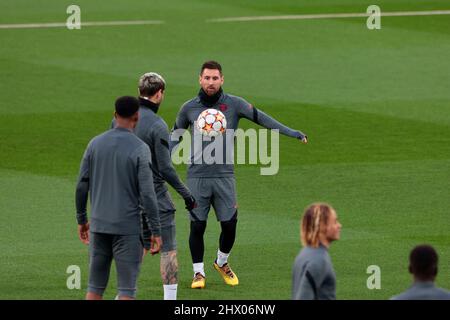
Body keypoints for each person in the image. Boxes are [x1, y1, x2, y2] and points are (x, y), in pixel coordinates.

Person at [170, 60, 308, 289]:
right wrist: (159, 160)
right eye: (207, 78)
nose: (211, 82)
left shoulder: (234, 104)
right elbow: (175, 136)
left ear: (222, 80)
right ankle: (198, 273)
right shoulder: (189, 108)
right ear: (200, 79)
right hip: (197, 177)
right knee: (197, 226)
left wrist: (291, 132)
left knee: (230, 224)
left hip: (224, 176)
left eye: (215, 78)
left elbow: (262, 118)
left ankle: (221, 262)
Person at [76, 96, 162, 300]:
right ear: (137, 117)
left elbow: (81, 185)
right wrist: (156, 231)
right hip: (127, 230)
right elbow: (148, 194)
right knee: (126, 291)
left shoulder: (94, 144)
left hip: (98, 227)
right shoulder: (140, 148)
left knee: (94, 289)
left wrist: (82, 219)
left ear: (114, 115)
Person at [132, 72, 196, 300]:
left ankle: (123, 295)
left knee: (134, 248)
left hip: (128, 196)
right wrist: (187, 194)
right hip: (155, 196)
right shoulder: (157, 124)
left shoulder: (121, 118)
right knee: (168, 249)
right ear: (159, 93)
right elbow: (166, 168)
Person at [292, 203, 341, 300]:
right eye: (335, 222)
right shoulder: (318, 260)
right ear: (323, 226)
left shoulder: (304, 253)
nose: (339, 225)